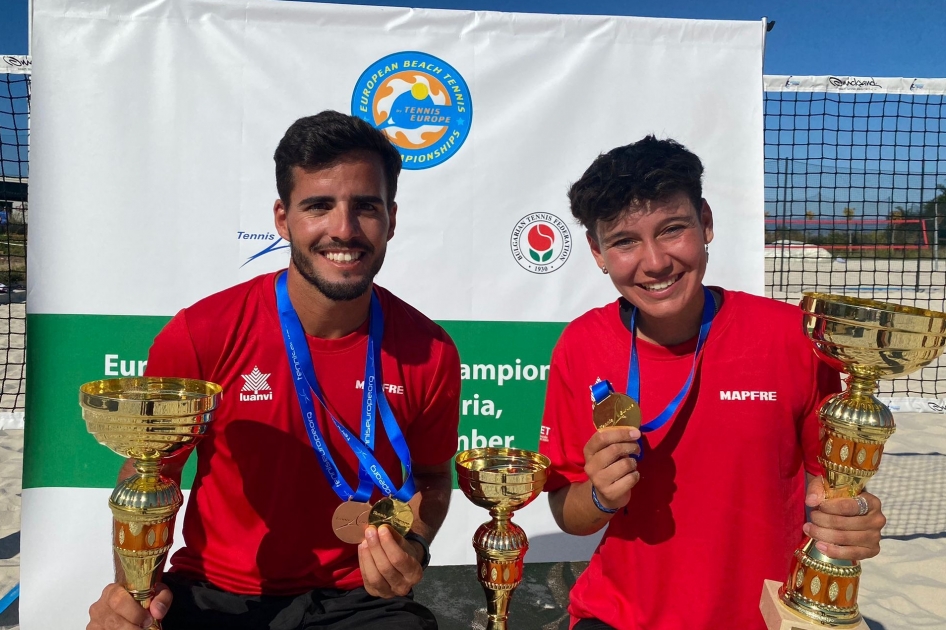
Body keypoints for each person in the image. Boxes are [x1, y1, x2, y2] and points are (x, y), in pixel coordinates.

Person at [87, 111, 461, 630]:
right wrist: (134, 597)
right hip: (216, 594)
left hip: (359, 599)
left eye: (365, 207)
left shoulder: (431, 351)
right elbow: (151, 475)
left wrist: (414, 542)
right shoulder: (202, 333)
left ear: (391, 219)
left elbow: (432, 479)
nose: (343, 229)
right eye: (319, 206)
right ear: (284, 219)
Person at [538, 136, 887, 630]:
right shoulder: (581, 344)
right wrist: (599, 496)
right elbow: (567, 512)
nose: (655, 262)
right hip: (619, 616)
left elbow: (830, 486)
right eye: (624, 241)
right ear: (597, 252)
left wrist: (851, 520)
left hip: (765, 616)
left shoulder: (791, 336)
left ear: (705, 223)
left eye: (672, 229)